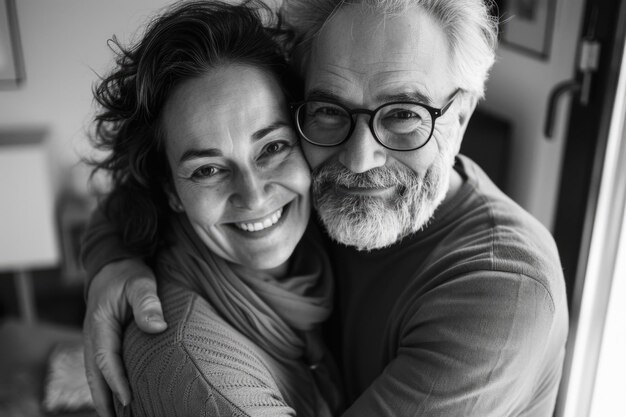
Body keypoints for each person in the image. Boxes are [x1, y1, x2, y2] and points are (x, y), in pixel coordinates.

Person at [82, 0, 569, 416]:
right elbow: (166, 176)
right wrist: (111, 258)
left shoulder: (501, 291)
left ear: (459, 116)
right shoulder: (313, 186)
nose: (358, 159)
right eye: (331, 110)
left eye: (403, 114)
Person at [84, 2, 343, 416]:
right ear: (171, 190)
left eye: (273, 147)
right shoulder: (202, 379)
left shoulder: (334, 228)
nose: (254, 196)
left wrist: (105, 257)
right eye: (207, 169)